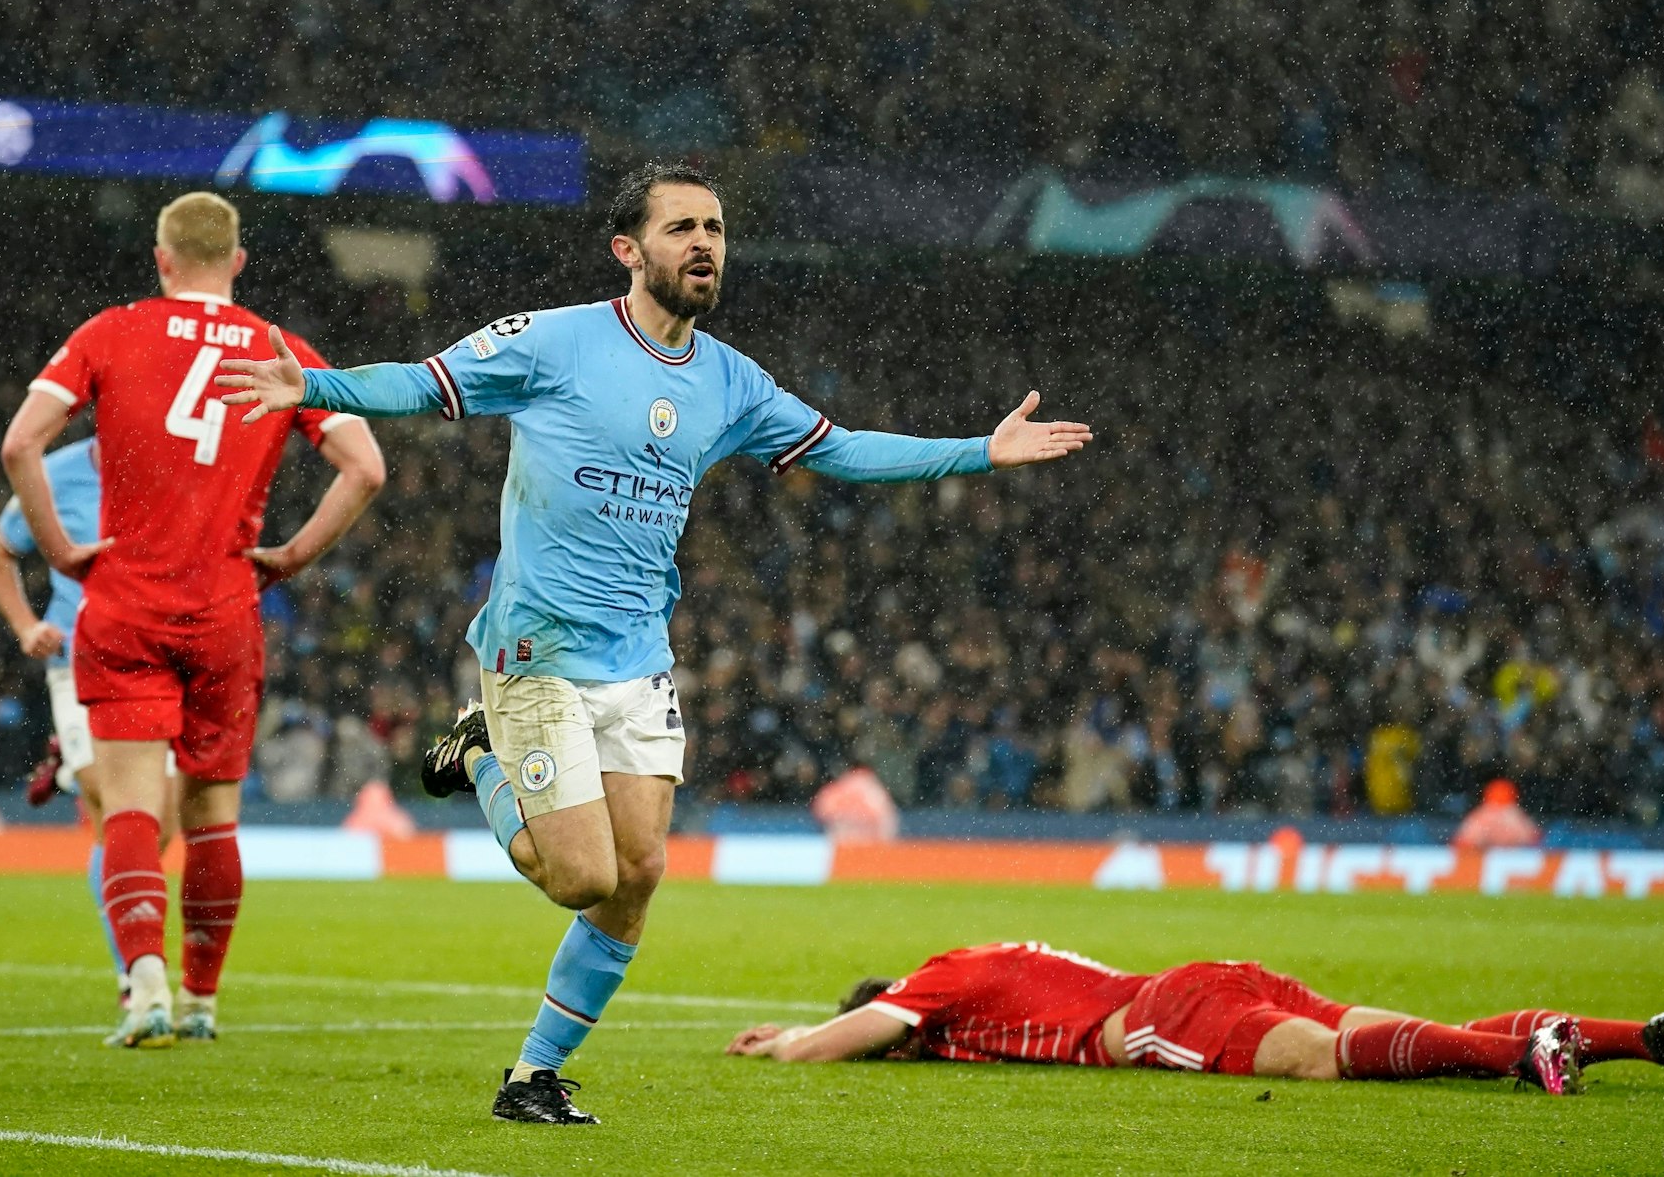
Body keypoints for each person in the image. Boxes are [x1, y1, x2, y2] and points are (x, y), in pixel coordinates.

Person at [216, 162, 1093, 1124]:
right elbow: (426, 384)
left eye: (714, 227)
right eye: (681, 228)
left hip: (636, 659)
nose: (704, 243)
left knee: (635, 878)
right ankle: (477, 756)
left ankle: (532, 1076)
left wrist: (981, 449)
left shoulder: (731, 381)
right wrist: (314, 384)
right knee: (580, 876)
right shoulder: (554, 341)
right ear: (628, 250)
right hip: (537, 649)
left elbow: (841, 447)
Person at [0, 191, 386, 1048]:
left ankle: (144, 988)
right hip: (223, 607)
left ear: (162, 258)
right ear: (238, 262)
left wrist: (60, 549)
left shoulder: (112, 331)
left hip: (124, 604)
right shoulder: (279, 349)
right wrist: (292, 555)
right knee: (213, 814)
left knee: (131, 808)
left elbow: (19, 443)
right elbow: (365, 467)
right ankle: (204, 999)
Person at [726, 941, 1664, 1096]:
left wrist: (788, 1043)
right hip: (1215, 973)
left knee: (1327, 1062)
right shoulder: (995, 961)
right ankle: (1640, 1033)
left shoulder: (938, 978)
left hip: (1162, 1012)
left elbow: (858, 1031)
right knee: (1419, 1028)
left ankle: (1526, 1052)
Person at [0, 435, 179, 1015]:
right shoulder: (51, 475)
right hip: (79, 659)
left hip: (156, 661)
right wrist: (26, 626)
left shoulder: (176, 468)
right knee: (115, 807)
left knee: (155, 827)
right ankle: (134, 974)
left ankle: (66, 760)